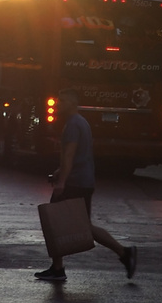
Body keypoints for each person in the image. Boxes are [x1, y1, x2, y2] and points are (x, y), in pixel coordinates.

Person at [34, 89, 137, 283]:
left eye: (62, 100)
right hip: (83, 181)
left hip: (75, 183)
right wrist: (58, 172)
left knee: (55, 223)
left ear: (73, 103)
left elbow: (70, 155)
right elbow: (76, 156)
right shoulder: (81, 122)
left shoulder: (72, 125)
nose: (58, 104)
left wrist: (62, 182)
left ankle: (59, 269)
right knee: (82, 225)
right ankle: (123, 253)